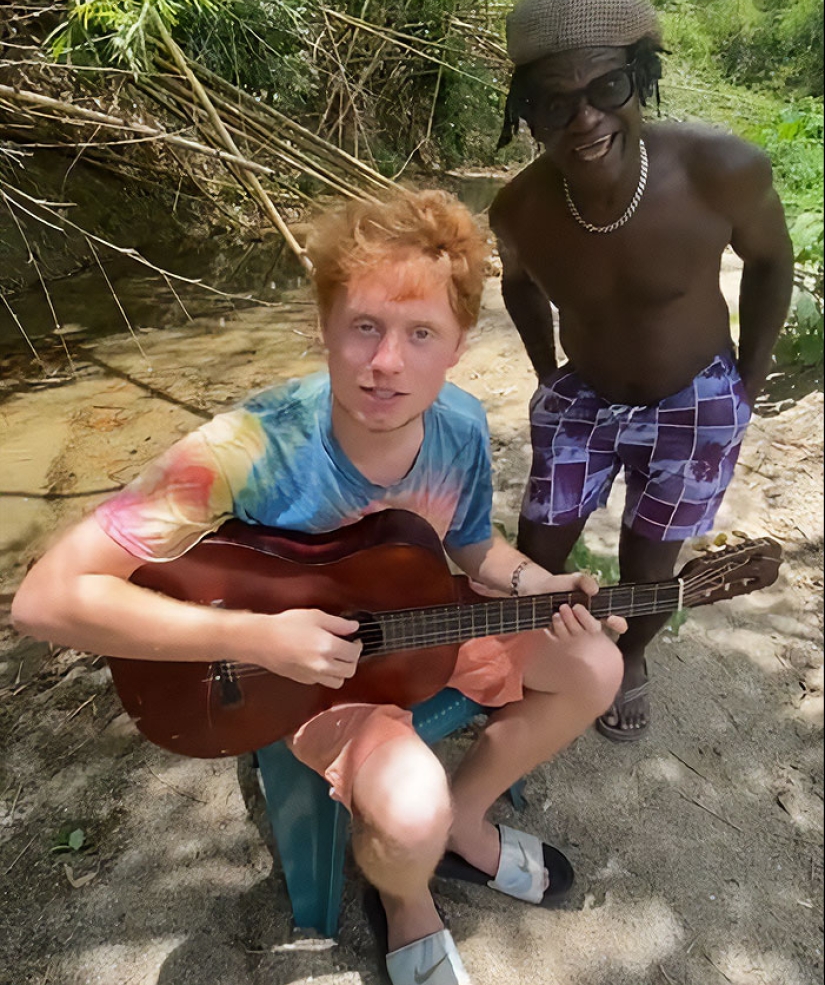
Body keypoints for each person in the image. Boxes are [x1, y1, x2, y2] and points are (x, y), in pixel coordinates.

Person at [12, 190, 625, 985]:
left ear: (458, 347)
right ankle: (405, 899)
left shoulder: (461, 426)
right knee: (408, 812)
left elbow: (470, 546)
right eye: (364, 326)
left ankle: (464, 826)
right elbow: (46, 599)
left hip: (422, 625)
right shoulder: (246, 448)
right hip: (309, 679)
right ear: (324, 329)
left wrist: (542, 584)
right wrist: (256, 637)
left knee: (595, 670)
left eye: (420, 334)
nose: (386, 363)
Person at [489, 0, 794, 743]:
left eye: (607, 85)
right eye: (554, 102)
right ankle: (529, 661)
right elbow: (519, 287)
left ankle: (629, 658)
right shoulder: (519, 208)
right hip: (582, 397)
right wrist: (545, 374)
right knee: (536, 549)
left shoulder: (722, 170)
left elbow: (770, 264)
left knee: (648, 565)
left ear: (641, 78)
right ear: (525, 111)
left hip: (695, 400)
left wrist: (746, 383)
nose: (584, 118)